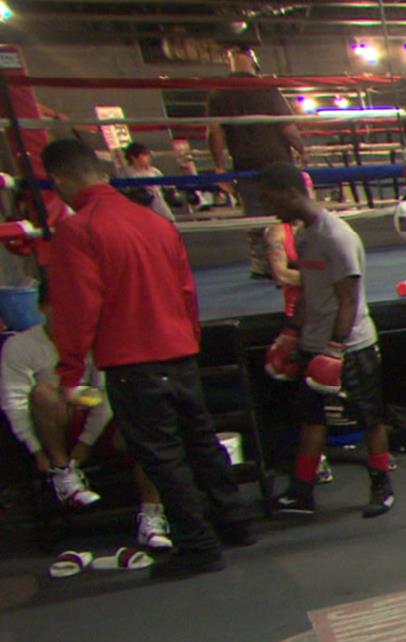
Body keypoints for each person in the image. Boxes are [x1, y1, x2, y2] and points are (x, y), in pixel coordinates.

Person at [43, 138, 253, 578]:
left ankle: (198, 544)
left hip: (132, 358)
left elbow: (79, 304)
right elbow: (186, 290)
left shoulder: (78, 230)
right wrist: (188, 338)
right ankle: (236, 521)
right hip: (177, 350)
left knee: (163, 454)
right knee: (200, 441)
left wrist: (69, 371)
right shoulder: (154, 222)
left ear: (60, 180)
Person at [257, 162, 394, 520]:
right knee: (311, 418)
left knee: (370, 417)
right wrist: (292, 331)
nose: (270, 208)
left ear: (290, 192)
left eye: (272, 199)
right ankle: (302, 493)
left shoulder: (337, 236)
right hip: (316, 341)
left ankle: (382, 486)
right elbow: (307, 289)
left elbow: (349, 297)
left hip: (352, 345)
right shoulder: (304, 236)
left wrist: (335, 348)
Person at [2, 281, 170, 547]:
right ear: (43, 308)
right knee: (43, 393)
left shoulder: (97, 339)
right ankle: (62, 470)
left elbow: (105, 395)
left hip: (95, 419)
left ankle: (152, 517)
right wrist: (36, 451)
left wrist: (85, 444)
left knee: (145, 434)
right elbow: (13, 402)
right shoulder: (19, 347)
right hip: (54, 425)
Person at [207, 47, 305, 278]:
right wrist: (301, 149)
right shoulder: (267, 89)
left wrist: (219, 166)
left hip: (247, 164)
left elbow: (215, 133)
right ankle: (296, 259)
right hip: (278, 163)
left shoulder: (219, 92)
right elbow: (287, 126)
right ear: (252, 61)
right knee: (291, 211)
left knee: (256, 216)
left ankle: (264, 266)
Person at [119, 142, 174, 223]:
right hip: (140, 211)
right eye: (144, 155)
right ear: (133, 157)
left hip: (160, 209)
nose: (148, 158)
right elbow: (122, 192)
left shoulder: (154, 171)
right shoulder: (126, 173)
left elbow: (167, 186)